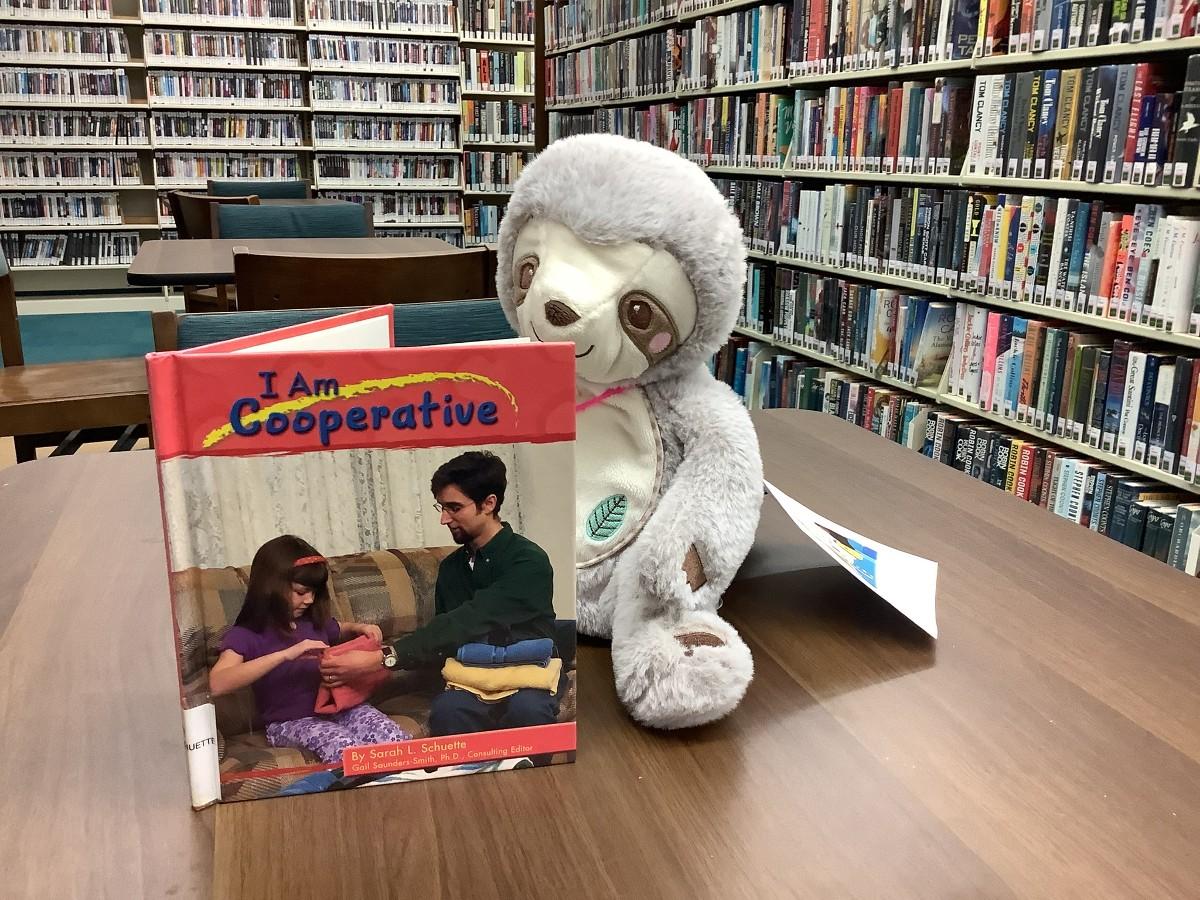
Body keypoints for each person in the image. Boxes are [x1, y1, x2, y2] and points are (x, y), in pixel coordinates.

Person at [319, 450, 562, 736]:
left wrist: (383, 658)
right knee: (449, 713)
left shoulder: (528, 561)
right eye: (441, 507)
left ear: (488, 503)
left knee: (528, 711)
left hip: (527, 674)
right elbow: (444, 639)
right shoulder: (451, 568)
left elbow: (470, 619)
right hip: (469, 679)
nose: (444, 519)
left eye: (454, 508)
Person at [209, 534, 411, 764]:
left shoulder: (311, 620)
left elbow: (339, 628)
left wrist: (359, 627)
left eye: (314, 593)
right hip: (290, 722)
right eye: (301, 592)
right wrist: (285, 655)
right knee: (346, 749)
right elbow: (217, 683)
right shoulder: (247, 634)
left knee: (396, 740)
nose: (309, 601)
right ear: (271, 587)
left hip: (340, 707)